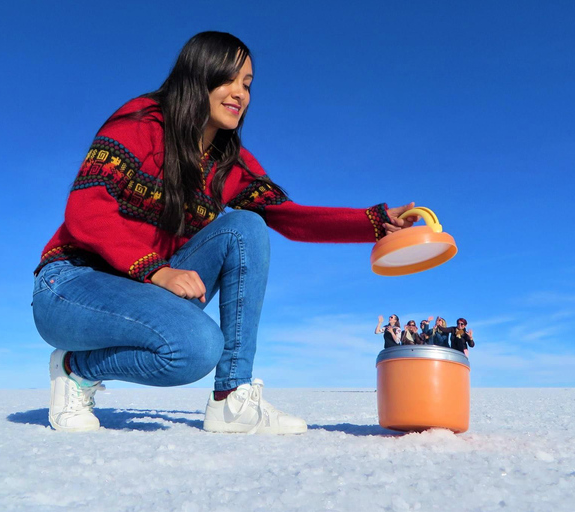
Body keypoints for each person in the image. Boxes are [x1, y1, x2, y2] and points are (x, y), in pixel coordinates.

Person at [32, 32, 421, 434]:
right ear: (197, 77)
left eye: (248, 85)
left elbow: (288, 217)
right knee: (195, 347)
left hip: (145, 292)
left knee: (245, 227)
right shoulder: (141, 121)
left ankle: (231, 398)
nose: (240, 94)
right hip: (72, 285)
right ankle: (73, 369)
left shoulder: (229, 162)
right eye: (228, 79)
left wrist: (375, 223)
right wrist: (157, 272)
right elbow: (86, 211)